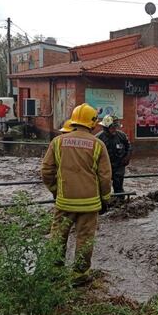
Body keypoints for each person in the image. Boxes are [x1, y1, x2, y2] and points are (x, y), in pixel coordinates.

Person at [41, 103, 112, 280]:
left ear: (73, 121)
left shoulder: (57, 142)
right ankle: (79, 274)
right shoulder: (98, 145)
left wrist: (56, 191)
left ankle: (55, 271)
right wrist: (105, 199)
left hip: (64, 201)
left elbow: (46, 171)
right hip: (90, 203)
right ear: (93, 122)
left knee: (58, 235)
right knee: (85, 238)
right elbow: (104, 176)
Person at [96, 115, 132, 195]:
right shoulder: (98, 138)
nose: (115, 130)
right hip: (104, 167)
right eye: (112, 128)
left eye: (116, 127)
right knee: (103, 186)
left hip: (119, 166)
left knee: (118, 187)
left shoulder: (122, 136)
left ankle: (120, 201)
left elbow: (128, 146)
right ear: (106, 128)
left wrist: (127, 157)